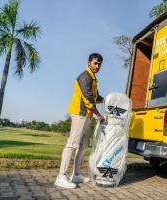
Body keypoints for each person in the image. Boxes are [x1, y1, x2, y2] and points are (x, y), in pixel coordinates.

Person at [55, 53, 105, 189]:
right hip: (79, 114)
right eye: (95, 63)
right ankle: (61, 176)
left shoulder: (93, 78)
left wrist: (107, 99)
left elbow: (95, 97)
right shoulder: (85, 77)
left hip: (87, 115)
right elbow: (89, 100)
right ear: (89, 62)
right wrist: (99, 116)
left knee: (84, 145)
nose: (97, 66)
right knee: (72, 144)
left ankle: (76, 174)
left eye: (99, 64)